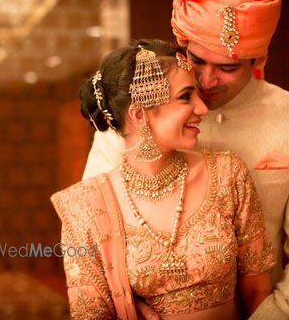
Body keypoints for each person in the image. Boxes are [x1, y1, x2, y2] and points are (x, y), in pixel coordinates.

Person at [82, 0, 289, 320]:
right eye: (195, 60)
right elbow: (90, 227)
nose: (206, 80)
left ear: (259, 59)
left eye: (227, 67)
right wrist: (124, 303)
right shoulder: (133, 111)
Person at [51, 39, 276, 319]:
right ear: (139, 114)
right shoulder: (85, 208)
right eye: (185, 96)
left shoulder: (229, 175)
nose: (202, 109)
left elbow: (258, 293)